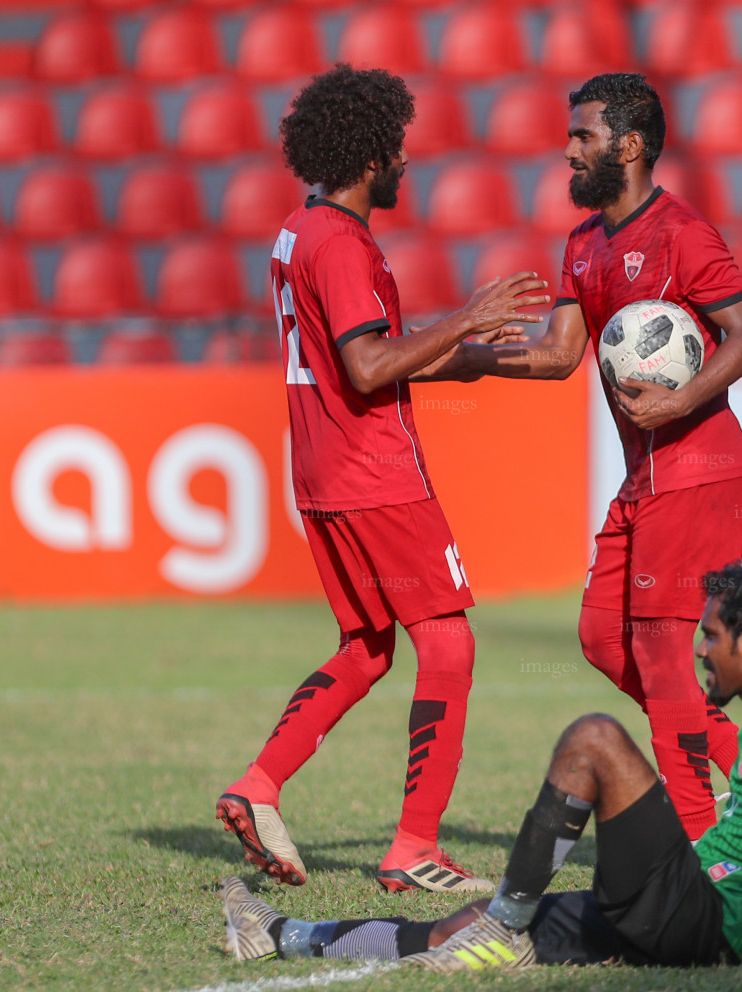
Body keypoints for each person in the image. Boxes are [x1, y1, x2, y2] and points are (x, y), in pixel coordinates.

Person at [220, 557, 742, 971]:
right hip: (684, 909)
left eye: (713, 635)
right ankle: (286, 935)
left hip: (705, 919)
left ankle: (507, 922)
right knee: (463, 927)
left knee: (595, 738)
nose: (701, 648)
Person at [214, 65, 550, 894]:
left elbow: (367, 358)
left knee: (367, 649)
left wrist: (495, 361)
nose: (405, 163)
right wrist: (464, 317)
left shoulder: (299, 230)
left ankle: (258, 786)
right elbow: (368, 367)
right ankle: (413, 846)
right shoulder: (342, 244)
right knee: (450, 642)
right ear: (370, 156)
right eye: (396, 149)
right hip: (375, 471)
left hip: (325, 470)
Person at [417, 73, 742, 840]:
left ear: (631, 146)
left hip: (701, 465)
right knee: (603, 639)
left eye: (584, 137)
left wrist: (679, 400)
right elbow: (556, 357)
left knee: (663, 650)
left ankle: (702, 838)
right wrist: (467, 357)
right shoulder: (584, 243)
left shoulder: (683, 234)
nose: (568, 150)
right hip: (644, 474)